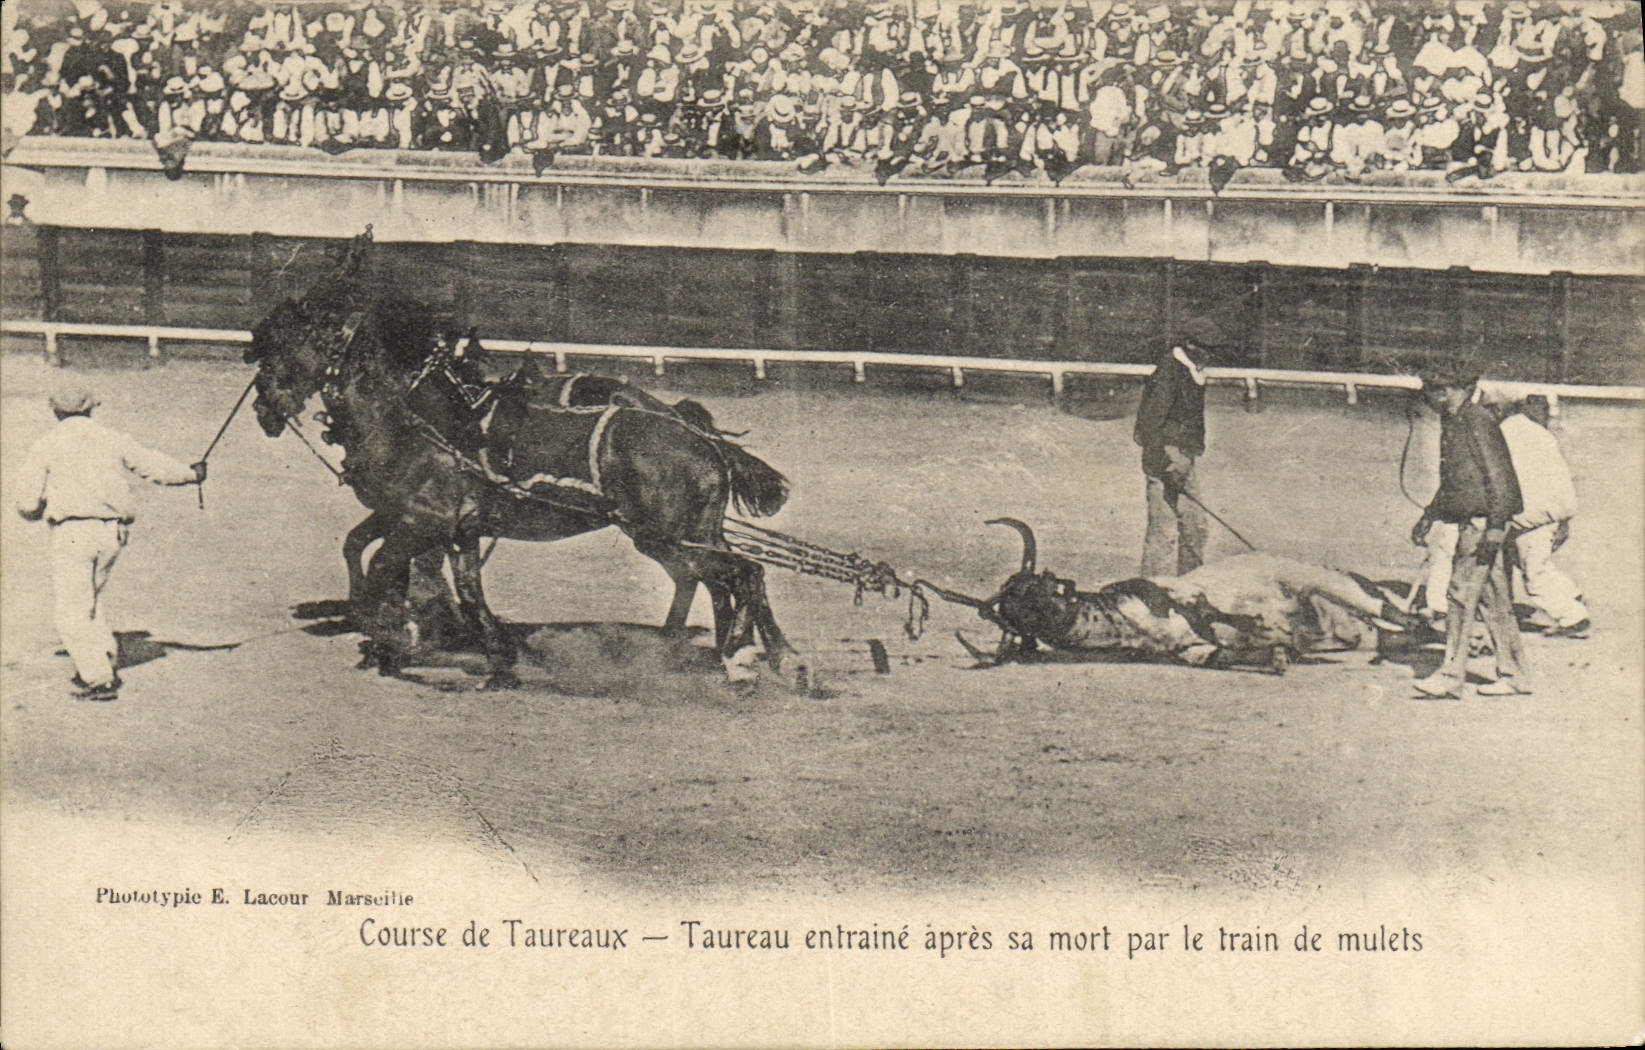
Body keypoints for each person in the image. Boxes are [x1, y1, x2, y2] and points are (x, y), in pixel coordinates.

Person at [12, 381, 206, 701]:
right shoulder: (112, 439)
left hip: (72, 534)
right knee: (91, 598)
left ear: (56, 410)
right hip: (112, 533)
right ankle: (102, 658)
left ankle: (98, 678)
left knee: (71, 611)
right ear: (91, 408)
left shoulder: (46, 443)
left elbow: (27, 501)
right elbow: (153, 465)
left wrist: (34, 511)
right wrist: (191, 473)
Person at [1409, 365, 1529, 699]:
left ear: (1448, 390)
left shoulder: (1476, 420)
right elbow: (1455, 481)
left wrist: (1494, 528)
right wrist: (1429, 515)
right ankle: (1515, 673)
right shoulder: (1457, 421)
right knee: (1494, 602)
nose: (1431, 398)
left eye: (1434, 390)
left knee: (1459, 598)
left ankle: (1451, 675)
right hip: (1478, 523)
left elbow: (1501, 477)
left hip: (1481, 525)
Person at [1133, 317, 1221, 577]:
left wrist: (1189, 452)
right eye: (1208, 349)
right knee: (1163, 530)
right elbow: (1150, 421)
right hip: (1163, 458)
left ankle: (1190, 586)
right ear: (1191, 346)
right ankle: (1152, 590)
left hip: (1183, 458)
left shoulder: (1192, 370)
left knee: (1195, 526)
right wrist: (1163, 459)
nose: (1212, 356)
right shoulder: (1170, 371)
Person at [1498, 394, 1589, 637]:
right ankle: (1570, 595)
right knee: (1533, 564)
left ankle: (1573, 618)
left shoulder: (1507, 432)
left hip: (1530, 517)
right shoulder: (1541, 435)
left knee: (1534, 576)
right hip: (1547, 514)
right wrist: (1563, 518)